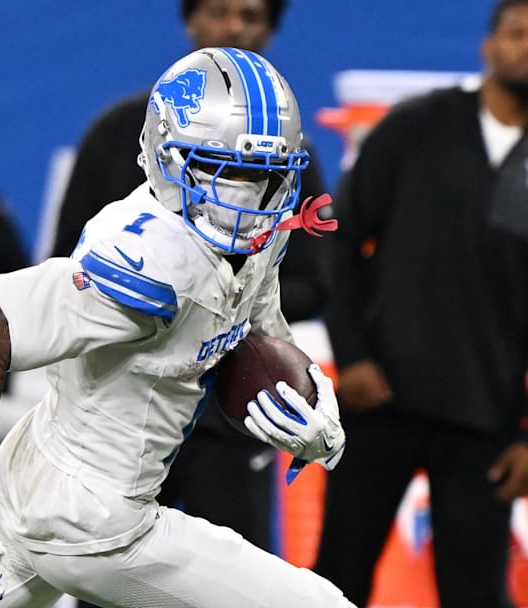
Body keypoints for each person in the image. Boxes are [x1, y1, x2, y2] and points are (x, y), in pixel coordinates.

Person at [0, 47, 354, 608]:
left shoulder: (261, 235)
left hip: (27, 492)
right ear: (165, 156)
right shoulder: (147, 258)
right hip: (94, 524)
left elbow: (261, 335)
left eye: (264, 178)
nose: (248, 201)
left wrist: (312, 406)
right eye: (226, 173)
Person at [50, 0, 325, 556]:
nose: (233, 28)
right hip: (119, 409)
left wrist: (214, 307)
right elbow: (67, 267)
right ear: (189, 21)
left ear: (270, 30)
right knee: (95, 571)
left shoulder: (288, 156)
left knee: (225, 576)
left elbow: (313, 279)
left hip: (224, 410)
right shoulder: (117, 133)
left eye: (250, 15)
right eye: (219, 11)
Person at [315, 1, 528, 607]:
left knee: (475, 594)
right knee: (333, 580)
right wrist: (353, 357)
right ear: (488, 45)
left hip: (485, 421)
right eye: (518, 33)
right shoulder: (417, 125)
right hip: (380, 400)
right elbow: (338, 239)